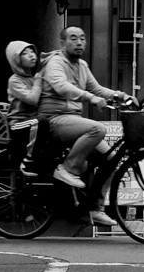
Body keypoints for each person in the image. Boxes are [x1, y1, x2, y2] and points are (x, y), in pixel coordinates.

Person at [38, 26, 132, 227]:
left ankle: (94, 208)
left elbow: (96, 88)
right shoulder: (55, 62)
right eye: (73, 38)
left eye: (82, 38)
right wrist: (91, 98)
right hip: (54, 119)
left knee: (111, 159)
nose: (79, 42)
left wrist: (120, 95)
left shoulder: (81, 65)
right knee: (97, 129)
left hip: (72, 120)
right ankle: (67, 169)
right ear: (63, 43)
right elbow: (62, 86)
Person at [4, 40, 52, 176]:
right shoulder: (15, 80)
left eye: (32, 52)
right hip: (18, 123)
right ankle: (28, 159)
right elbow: (32, 100)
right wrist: (38, 80)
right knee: (40, 121)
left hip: (31, 121)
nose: (31, 55)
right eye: (25, 53)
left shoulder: (33, 78)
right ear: (16, 60)